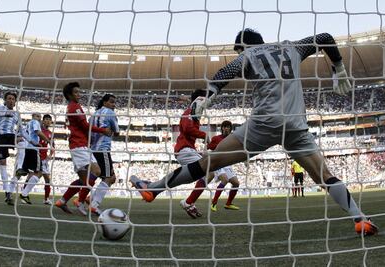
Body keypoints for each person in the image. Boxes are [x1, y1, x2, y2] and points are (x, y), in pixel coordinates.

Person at [130, 29, 378, 236]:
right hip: (295, 125)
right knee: (324, 175)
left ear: (242, 47)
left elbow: (225, 73)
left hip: (263, 124)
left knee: (209, 162)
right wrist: (338, 67)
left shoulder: (247, 55)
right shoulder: (291, 47)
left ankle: (155, 188)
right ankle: (360, 219)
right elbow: (324, 36)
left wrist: (210, 94)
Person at [55, 82, 112, 214]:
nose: (79, 95)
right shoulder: (75, 107)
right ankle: (79, 201)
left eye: (79, 92)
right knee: (96, 172)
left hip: (79, 145)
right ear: (69, 94)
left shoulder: (72, 107)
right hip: (78, 145)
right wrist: (102, 130)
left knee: (84, 179)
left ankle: (63, 201)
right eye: (76, 92)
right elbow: (85, 126)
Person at [73, 93, 120, 215]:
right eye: (111, 102)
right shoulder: (110, 113)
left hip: (92, 150)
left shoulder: (93, 116)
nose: (113, 105)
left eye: (114, 102)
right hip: (103, 149)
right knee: (109, 177)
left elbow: (88, 131)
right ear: (104, 102)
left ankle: (89, 199)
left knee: (110, 177)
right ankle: (93, 204)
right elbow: (117, 132)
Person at [173, 89, 213, 219]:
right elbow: (187, 128)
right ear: (199, 100)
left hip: (187, 150)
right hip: (184, 150)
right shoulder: (189, 112)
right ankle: (188, 202)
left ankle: (151, 189)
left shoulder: (194, 113)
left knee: (201, 174)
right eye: (204, 99)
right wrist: (204, 135)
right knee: (209, 172)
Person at [0, 91, 20, 205]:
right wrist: (5, 114)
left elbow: (20, 126)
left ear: (15, 101)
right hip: (0, 136)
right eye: (9, 98)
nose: (11, 100)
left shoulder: (17, 113)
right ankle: (7, 192)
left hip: (11, 135)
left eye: (13, 99)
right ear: (5, 100)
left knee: (21, 141)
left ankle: (21, 166)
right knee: (2, 162)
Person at [19, 113, 51, 204]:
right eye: (39, 117)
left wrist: (50, 153)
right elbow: (38, 133)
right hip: (36, 152)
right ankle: (24, 194)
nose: (39, 119)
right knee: (36, 173)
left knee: (40, 176)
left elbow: (24, 133)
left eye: (40, 117)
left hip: (32, 150)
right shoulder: (36, 125)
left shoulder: (30, 124)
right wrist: (47, 141)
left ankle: (46, 199)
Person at [209, 121, 240, 212]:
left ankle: (228, 204)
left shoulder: (233, 139)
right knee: (225, 180)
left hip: (227, 164)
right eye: (224, 127)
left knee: (236, 183)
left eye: (228, 127)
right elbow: (210, 147)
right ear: (222, 128)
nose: (226, 128)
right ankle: (213, 203)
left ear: (231, 128)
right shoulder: (216, 138)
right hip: (218, 163)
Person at [39, 114, 55, 205]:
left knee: (47, 180)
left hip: (44, 159)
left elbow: (53, 146)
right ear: (43, 120)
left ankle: (46, 199)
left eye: (49, 120)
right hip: (37, 157)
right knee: (33, 176)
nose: (48, 121)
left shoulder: (50, 133)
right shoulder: (39, 130)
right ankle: (24, 195)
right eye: (46, 119)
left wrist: (50, 155)